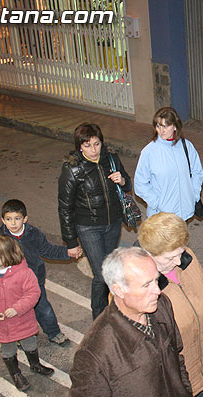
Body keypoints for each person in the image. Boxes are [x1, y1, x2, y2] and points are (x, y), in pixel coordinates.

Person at [68, 247, 196, 397]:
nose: (157, 291)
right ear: (118, 290)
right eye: (146, 285)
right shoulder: (94, 352)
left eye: (156, 281)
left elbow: (177, 356)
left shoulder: (162, 306)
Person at [138, 213, 203, 397]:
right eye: (169, 258)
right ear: (148, 254)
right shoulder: (139, 287)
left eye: (180, 252)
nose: (178, 262)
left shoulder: (187, 257)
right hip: (172, 374)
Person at [58, 123, 132, 319]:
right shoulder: (72, 169)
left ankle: (114, 308)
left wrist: (123, 181)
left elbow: (127, 184)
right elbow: (65, 207)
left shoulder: (112, 159)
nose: (93, 150)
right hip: (88, 228)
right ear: (79, 146)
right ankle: (99, 317)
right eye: (87, 145)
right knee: (101, 275)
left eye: (97, 144)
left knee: (111, 270)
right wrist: (71, 242)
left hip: (113, 223)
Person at [0, 199, 82, 345]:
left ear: (25, 219)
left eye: (17, 218)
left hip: (33, 282)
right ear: (3, 220)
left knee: (43, 307)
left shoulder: (34, 234)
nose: (13, 223)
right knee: (15, 313)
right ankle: (18, 337)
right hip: (11, 285)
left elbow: (48, 250)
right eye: (8, 219)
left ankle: (54, 332)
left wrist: (68, 253)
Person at [0, 235, 54, 392]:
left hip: (22, 321)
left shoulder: (24, 273)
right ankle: (16, 374)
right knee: (8, 350)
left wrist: (18, 308)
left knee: (30, 343)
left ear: (6, 256)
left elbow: (33, 293)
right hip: (1, 325)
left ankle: (35, 364)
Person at [135, 107, 203, 221]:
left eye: (165, 126)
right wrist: (158, 204)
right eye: (158, 126)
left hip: (184, 215)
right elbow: (140, 184)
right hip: (161, 217)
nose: (161, 131)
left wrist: (194, 195)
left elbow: (197, 172)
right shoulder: (149, 152)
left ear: (175, 126)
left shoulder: (186, 146)